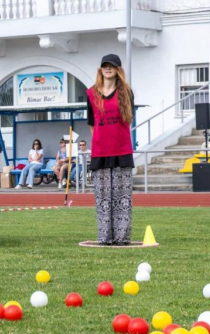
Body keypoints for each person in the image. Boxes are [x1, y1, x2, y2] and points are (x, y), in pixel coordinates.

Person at [87, 54, 135, 245]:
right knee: (103, 198)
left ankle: (121, 238)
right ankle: (105, 237)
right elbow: (91, 123)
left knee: (122, 198)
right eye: (105, 66)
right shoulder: (91, 93)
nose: (108, 69)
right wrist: (100, 140)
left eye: (112, 66)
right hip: (100, 152)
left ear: (118, 70)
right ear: (101, 70)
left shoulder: (126, 92)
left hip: (122, 150)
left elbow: (128, 120)